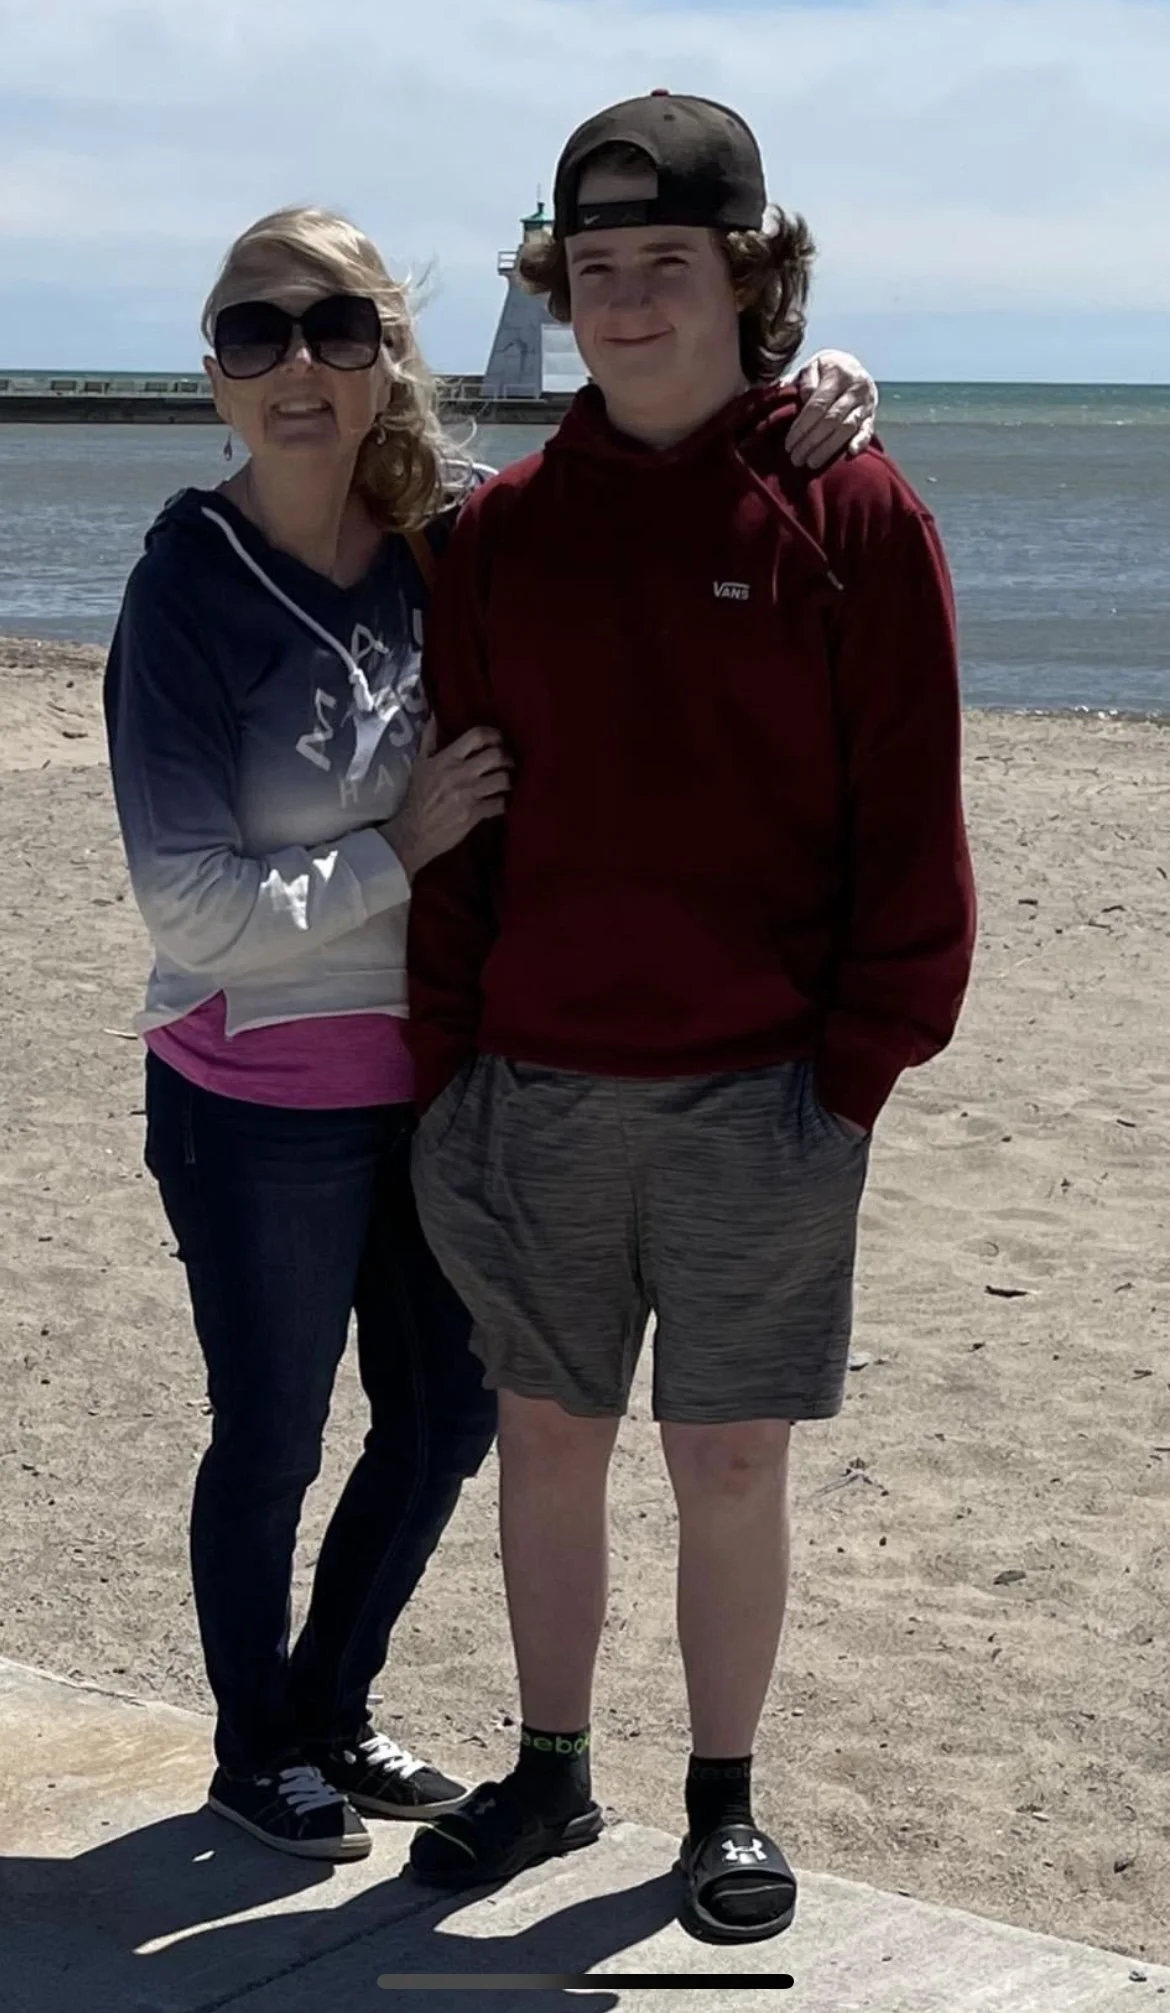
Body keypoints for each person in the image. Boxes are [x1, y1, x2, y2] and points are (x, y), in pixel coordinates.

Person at [104, 201, 879, 1863]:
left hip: (451, 1085)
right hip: (257, 1096)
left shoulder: (449, 538)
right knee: (273, 1435)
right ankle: (259, 1744)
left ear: (392, 356)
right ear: (217, 377)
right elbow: (183, 907)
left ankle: (331, 1702)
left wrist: (818, 390)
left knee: (449, 1421)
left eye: (336, 331)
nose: (298, 367)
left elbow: (648, 499)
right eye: (256, 335)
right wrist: (401, 852)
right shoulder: (185, 583)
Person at [406, 92, 977, 1944]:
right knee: (548, 1437)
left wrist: (856, 1070)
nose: (629, 301)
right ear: (555, 289)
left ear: (749, 275)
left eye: (667, 263)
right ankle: (550, 1768)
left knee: (729, 1456)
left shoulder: (849, 507)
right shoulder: (496, 541)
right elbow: (461, 822)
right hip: (534, 1087)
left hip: (764, 1098)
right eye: (594, 269)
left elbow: (910, 823)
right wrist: (450, 1065)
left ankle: (719, 1803)